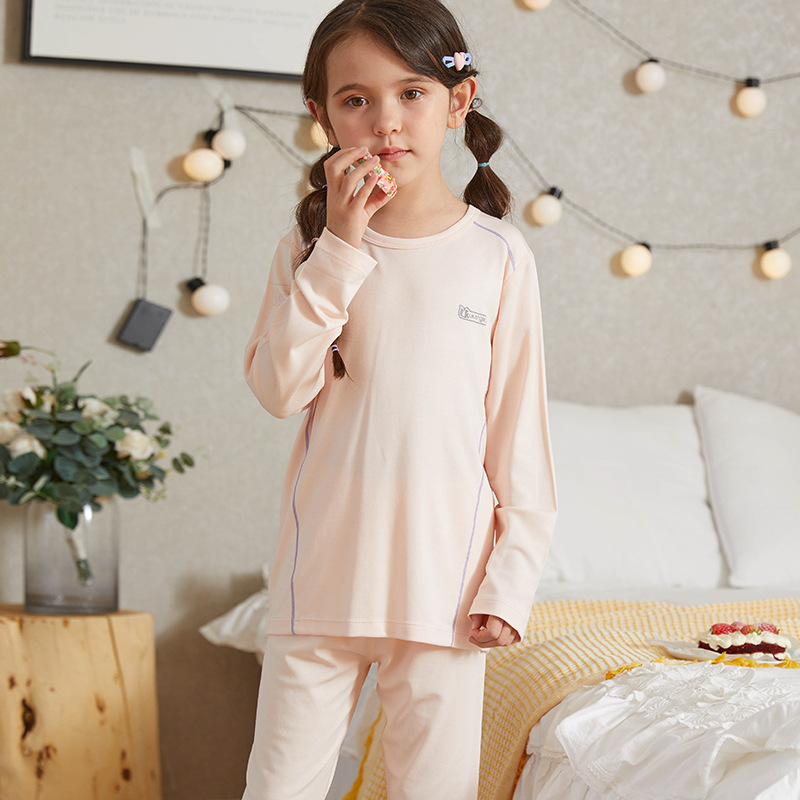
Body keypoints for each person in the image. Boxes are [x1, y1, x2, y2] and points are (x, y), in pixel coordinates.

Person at [241, 1, 557, 797]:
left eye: (411, 93)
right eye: (356, 99)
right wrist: (341, 249)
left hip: (444, 595)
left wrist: (510, 581)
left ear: (458, 100)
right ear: (322, 117)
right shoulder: (308, 251)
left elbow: (519, 438)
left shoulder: (498, 256)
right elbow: (279, 389)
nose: (386, 121)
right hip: (319, 586)